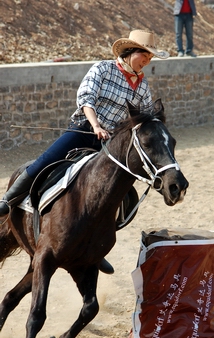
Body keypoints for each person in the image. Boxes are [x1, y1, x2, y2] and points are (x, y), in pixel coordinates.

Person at [0, 30, 169, 272]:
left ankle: (96, 246)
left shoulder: (143, 84)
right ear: (130, 52)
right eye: (145, 55)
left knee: (122, 192)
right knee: (47, 159)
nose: (147, 61)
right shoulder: (102, 69)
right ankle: (8, 200)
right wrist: (96, 125)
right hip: (84, 130)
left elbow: (141, 118)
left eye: (151, 58)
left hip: (112, 144)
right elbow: (86, 99)